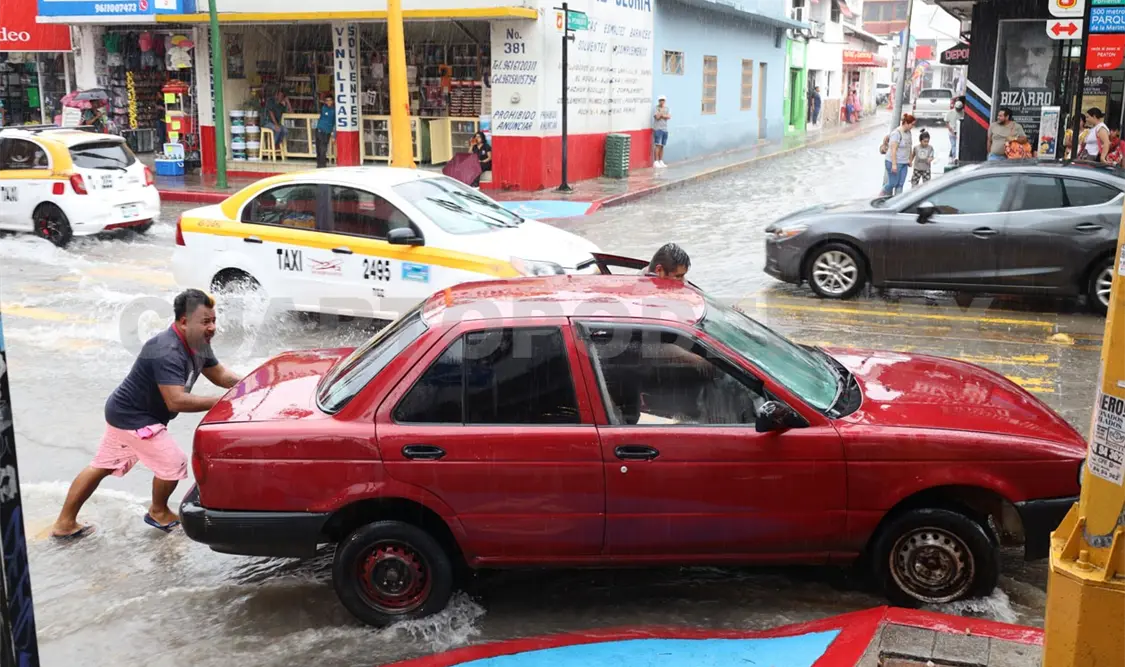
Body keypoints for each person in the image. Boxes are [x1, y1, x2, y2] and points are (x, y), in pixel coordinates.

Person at [50, 289, 241, 539]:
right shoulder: (166, 350)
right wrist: (223, 401)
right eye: (206, 321)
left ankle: (64, 524)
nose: (212, 327)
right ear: (184, 322)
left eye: (214, 320)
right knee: (173, 462)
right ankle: (158, 512)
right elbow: (175, 400)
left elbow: (220, 374)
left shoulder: (198, 343)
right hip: (135, 419)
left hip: (125, 412)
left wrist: (249, 384)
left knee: (101, 466)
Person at [884, 113, 916, 196]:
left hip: (904, 162)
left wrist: (910, 159)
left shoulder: (908, 133)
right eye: (912, 124)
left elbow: (909, 146)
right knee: (893, 183)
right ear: (906, 123)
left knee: (900, 184)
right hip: (894, 162)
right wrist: (894, 165)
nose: (913, 126)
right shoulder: (897, 133)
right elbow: (893, 150)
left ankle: (897, 200)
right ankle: (881, 194)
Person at [315, 93, 335, 169]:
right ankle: (320, 164)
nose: (328, 102)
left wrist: (334, 134)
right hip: (319, 130)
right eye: (327, 101)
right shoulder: (324, 108)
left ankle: (322, 165)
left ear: (333, 101)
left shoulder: (334, 110)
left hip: (327, 131)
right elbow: (320, 100)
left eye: (330, 100)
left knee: (323, 148)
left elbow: (334, 123)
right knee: (319, 148)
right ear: (325, 102)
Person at [653, 95, 670, 168]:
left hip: (665, 129)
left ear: (664, 101)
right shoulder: (656, 108)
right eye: (660, 100)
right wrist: (663, 114)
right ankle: (656, 161)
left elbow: (668, 116)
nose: (662, 101)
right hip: (658, 129)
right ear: (658, 101)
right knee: (658, 145)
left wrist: (661, 114)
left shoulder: (667, 108)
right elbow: (657, 117)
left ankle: (660, 161)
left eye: (663, 100)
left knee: (662, 145)